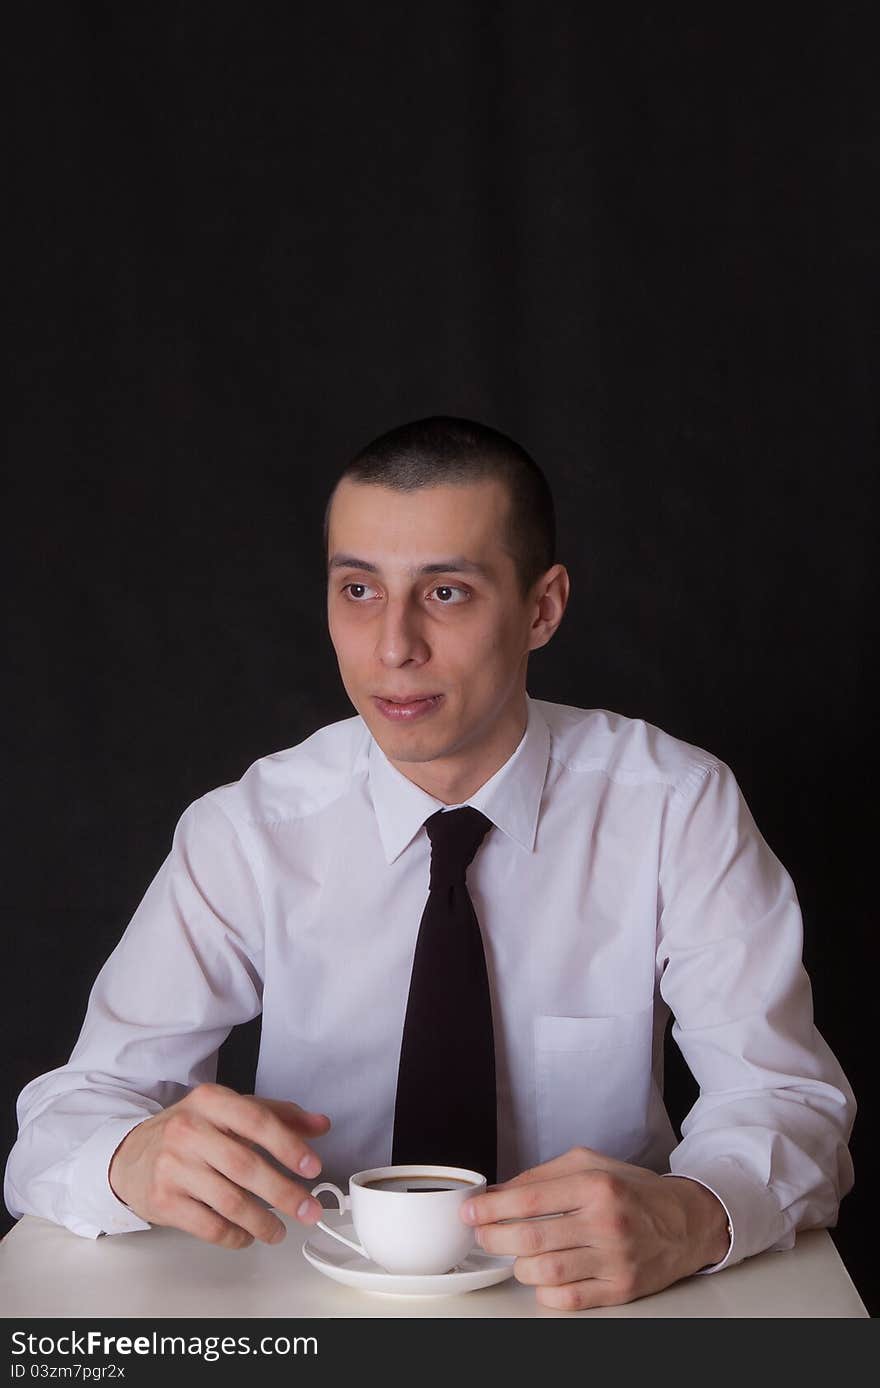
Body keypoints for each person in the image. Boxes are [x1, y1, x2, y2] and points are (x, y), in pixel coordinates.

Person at [5, 416, 855, 1311]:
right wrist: (130, 1157)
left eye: (446, 593)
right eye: (359, 590)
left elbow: (784, 1097)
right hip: (308, 1305)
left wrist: (691, 1217)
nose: (393, 647)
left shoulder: (674, 807)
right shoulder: (249, 830)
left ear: (542, 608)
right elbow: (71, 1115)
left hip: (599, 1311)